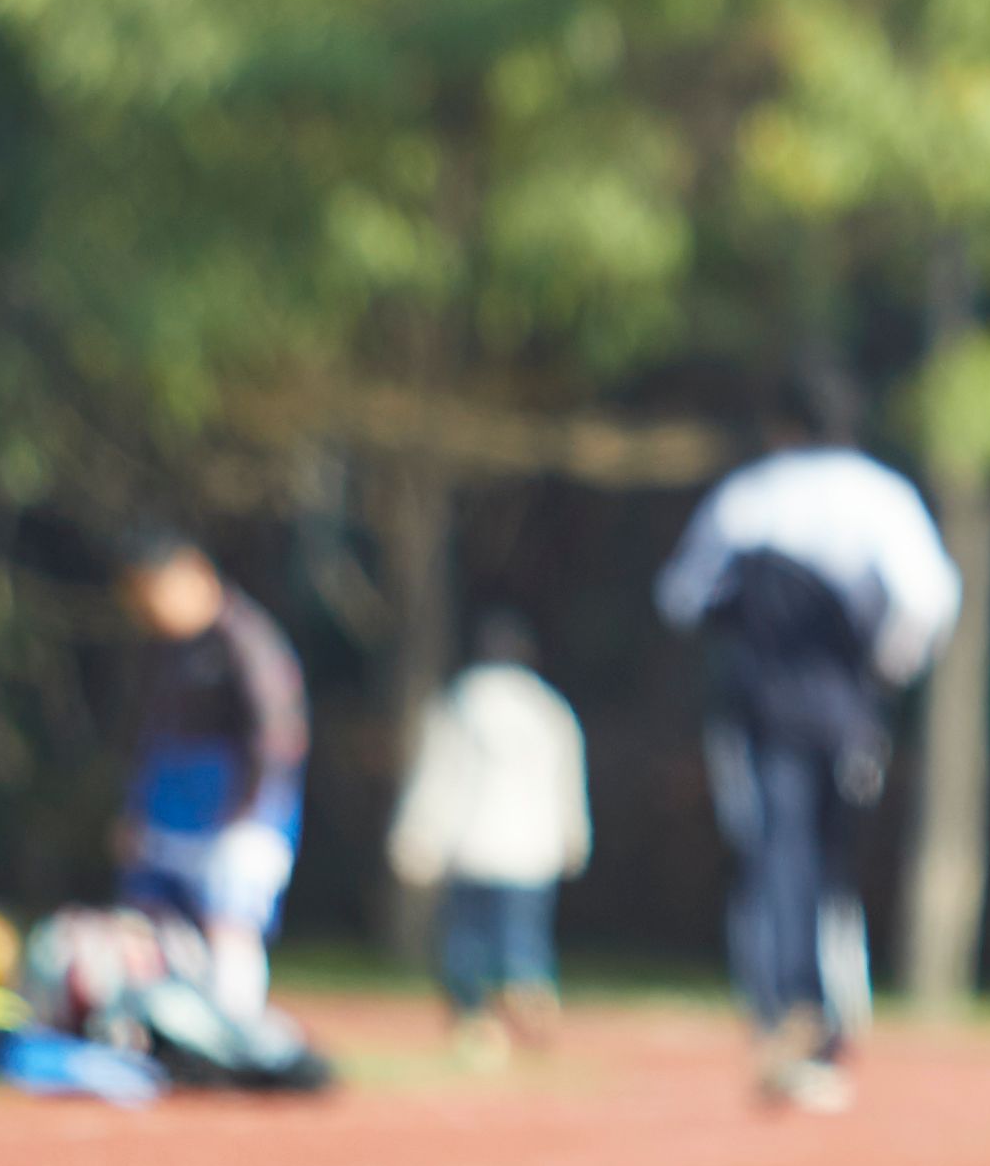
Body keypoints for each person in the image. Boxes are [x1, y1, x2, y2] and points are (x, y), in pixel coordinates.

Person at [655, 376, 958, 1113]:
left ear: (781, 424)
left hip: (759, 711)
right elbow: (928, 601)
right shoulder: (883, 496)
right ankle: (833, 1018)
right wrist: (880, 670)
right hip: (845, 712)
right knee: (832, 865)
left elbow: (681, 595)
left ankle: (789, 1010)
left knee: (774, 858)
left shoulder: (750, 497)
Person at [388, 608, 590, 1071]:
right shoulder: (549, 709)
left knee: (467, 941)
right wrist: (574, 837)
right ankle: (529, 991)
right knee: (524, 937)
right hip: (533, 849)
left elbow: (437, 776)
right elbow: (567, 781)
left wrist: (417, 835)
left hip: (472, 846)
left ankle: (476, 1023)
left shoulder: (461, 703)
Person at [116, 530, 309, 1013]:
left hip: (238, 811)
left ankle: (234, 1027)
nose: (150, 607)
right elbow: (148, 734)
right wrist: (135, 810)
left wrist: (250, 814)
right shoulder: (162, 649)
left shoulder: (246, 640)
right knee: (148, 925)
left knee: (230, 923)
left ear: (194, 576)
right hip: (171, 807)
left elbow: (278, 733)